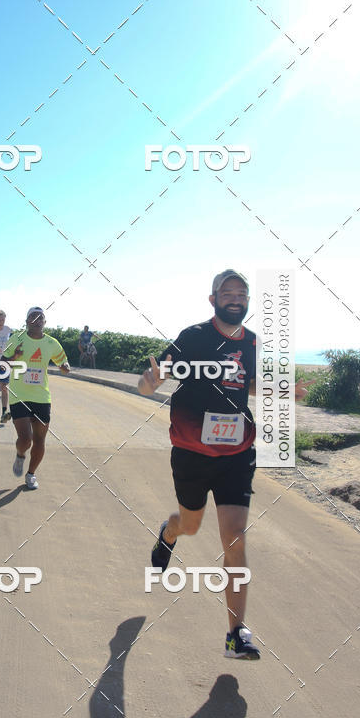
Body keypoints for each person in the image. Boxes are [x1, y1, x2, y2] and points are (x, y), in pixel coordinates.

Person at [139, 270, 311, 659]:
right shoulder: (194, 336)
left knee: (235, 536)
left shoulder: (251, 341)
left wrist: (282, 390)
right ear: (212, 298)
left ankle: (237, 633)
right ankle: (169, 532)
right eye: (227, 292)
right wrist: (148, 383)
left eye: (242, 293)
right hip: (191, 451)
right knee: (192, 524)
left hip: (236, 452)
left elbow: (247, 382)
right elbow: (158, 376)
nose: (235, 298)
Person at [1, 308, 70, 490]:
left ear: (44, 322)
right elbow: (2, 362)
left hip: (42, 397)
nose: (37, 320)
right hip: (19, 395)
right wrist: (14, 357)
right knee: (25, 439)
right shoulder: (17, 338)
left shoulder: (51, 343)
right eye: (33, 316)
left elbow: (63, 361)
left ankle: (31, 474)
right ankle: (20, 453)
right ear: (27, 321)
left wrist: (65, 367)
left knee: (39, 440)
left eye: (41, 317)